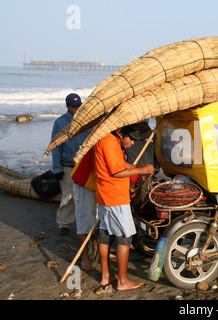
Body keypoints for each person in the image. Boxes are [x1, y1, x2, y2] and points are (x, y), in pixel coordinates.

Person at [93, 124, 155, 291]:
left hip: (104, 195)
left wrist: (138, 168)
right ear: (121, 134)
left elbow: (120, 164)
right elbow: (116, 171)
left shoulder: (107, 140)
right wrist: (140, 169)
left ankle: (106, 276)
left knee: (106, 234)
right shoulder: (109, 142)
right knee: (125, 237)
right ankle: (122, 281)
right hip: (115, 196)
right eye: (131, 139)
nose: (133, 143)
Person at [51, 93, 90, 236]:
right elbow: (55, 146)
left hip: (85, 165)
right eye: (74, 106)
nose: (77, 108)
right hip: (67, 165)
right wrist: (57, 168)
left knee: (87, 196)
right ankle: (64, 224)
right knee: (68, 196)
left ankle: (87, 222)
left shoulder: (88, 120)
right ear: (67, 106)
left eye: (79, 105)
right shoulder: (60, 123)